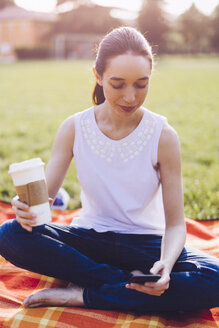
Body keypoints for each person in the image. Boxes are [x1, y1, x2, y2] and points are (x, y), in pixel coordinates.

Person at [0, 26, 218, 313]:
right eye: (118, 84)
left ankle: (85, 294)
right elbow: (44, 202)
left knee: (213, 278)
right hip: (90, 239)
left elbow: (176, 224)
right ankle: (123, 287)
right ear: (98, 76)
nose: (130, 97)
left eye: (141, 84)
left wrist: (165, 265)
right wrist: (25, 209)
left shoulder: (163, 136)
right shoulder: (74, 128)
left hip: (146, 247)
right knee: (9, 235)